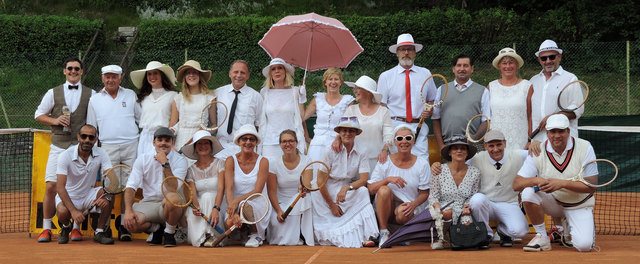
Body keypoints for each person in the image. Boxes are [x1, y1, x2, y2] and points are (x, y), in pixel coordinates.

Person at [431, 130, 530, 247]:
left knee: (521, 231)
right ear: (485, 146)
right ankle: (485, 235)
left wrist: (535, 144)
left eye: (499, 144)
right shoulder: (476, 159)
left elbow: (539, 154)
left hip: (508, 203)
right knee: (477, 199)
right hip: (484, 204)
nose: (495, 149)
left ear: (505, 143)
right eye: (491, 145)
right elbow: (457, 161)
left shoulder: (518, 155)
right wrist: (435, 165)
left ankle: (502, 231)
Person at [514, 114, 597, 252]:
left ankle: (568, 226)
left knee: (584, 246)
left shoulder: (585, 147)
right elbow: (517, 184)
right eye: (553, 131)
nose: (557, 135)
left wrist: (562, 183)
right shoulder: (538, 150)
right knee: (528, 192)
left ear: (568, 132)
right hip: (553, 203)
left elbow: (591, 186)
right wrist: (537, 180)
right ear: (547, 133)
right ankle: (542, 236)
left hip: (579, 203)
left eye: (561, 131)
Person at [34, 57, 95, 242]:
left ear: (82, 71)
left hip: (80, 148)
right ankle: (46, 228)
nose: (73, 71)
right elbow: (38, 114)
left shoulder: (91, 94)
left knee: (79, 189)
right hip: (58, 146)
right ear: (64, 71)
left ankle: (75, 228)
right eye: (70, 68)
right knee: (51, 186)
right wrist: (55, 120)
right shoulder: (53, 93)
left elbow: (91, 122)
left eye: (77, 68)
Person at [86, 64, 141, 241]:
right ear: (102, 78)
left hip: (131, 145)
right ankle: (105, 227)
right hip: (107, 147)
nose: (111, 80)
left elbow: (140, 119)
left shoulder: (130, 95)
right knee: (109, 187)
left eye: (114, 76)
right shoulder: (94, 100)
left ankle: (125, 225)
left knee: (129, 186)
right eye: (107, 76)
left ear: (120, 78)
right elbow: (92, 128)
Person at [311, 117, 379, 248]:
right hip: (324, 189)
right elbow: (320, 181)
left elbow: (364, 179)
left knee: (363, 191)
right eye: (344, 130)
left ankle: (366, 236)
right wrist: (331, 205)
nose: (347, 134)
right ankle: (351, 238)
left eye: (351, 130)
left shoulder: (362, 150)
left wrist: (347, 187)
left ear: (356, 133)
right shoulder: (329, 150)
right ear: (340, 133)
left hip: (345, 188)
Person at [123, 127, 188, 247]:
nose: (163, 143)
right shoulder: (143, 158)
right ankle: (157, 229)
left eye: (167, 140)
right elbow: (131, 187)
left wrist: (165, 163)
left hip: (170, 203)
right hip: (149, 203)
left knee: (173, 198)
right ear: (154, 142)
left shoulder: (181, 160)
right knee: (130, 223)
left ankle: (169, 233)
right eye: (160, 140)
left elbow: (173, 189)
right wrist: (128, 211)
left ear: (172, 143)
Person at [367, 125, 430, 247]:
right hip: (385, 210)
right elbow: (371, 189)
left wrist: (414, 204)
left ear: (413, 141)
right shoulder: (385, 161)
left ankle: (402, 232)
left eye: (408, 137)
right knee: (384, 190)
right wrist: (388, 179)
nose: (404, 141)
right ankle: (384, 232)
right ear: (395, 142)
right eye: (400, 138)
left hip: (407, 210)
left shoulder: (422, 164)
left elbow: (424, 193)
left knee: (402, 212)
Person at [377, 33, 437, 158]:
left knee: (422, 164)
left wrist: (429, 109)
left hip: (419, 127)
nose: (406, 53)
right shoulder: (386, 76)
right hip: (395, 127)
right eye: (402, 49)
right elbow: (382, 105)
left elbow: (432, 100)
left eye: (410, 49)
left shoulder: (425, 73)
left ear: (414, 52)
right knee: (398, 165)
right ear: (397, 52)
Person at [55, 125, 114, 245]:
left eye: (91, 137)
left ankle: (99, 231)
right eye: (84, 136)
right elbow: (60, 188)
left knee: (109, 195)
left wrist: (106, 195)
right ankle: (66, 227)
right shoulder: (65, 156)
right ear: (78, 137)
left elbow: (113, 180)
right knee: (62, 212)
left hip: (88, 194)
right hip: (69, 196)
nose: (87, 140)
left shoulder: (101, 153)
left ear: (95, 140)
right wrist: (73, 211)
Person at [428, 136, 480, 249]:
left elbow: (473, 195)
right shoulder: (439, 169)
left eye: (463, 148)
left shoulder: (475, 172)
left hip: (463, 209)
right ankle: (440, 237)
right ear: (450, 153)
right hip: (442, 208)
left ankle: (455, 237)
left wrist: (466, 207)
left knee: (467, 227)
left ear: (467, 154)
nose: (459, 151)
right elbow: (433, 196)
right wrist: (438, 209)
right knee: (437, 216)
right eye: (455, 148)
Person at [224, 124, 270, 247]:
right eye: (244, 139)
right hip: (234, 203)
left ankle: (256, 234)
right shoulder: (230, 160)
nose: (248, 142)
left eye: (252, 139)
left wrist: (237, 201)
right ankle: (244, 231)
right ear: (239, 141)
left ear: (256, 143)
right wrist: (233, 211)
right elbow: (229, 188)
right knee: (229, 223)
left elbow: (258, 190)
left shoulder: (263, 161)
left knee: (245, 205)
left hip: (256, 201)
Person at [432, 54, 490, 150]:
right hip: (449, 146)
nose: (462, 69)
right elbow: (435, 119)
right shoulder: (441, 90)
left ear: (472, 69)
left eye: (465, 65)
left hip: (474, 147)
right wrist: (441, 145)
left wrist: (473, 138)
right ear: (453, 69)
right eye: (459, 65)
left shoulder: (483, 91)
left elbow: (486, 121)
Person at [266, 130, 314, 246]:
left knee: (306, 199)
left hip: (299, 199)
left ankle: (303, 235)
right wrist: (278, 211)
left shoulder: (307, 160)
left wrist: (302, 189)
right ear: (280, 145)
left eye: (291, 141)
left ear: (297, 143)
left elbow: (306, 185)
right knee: (276, 223)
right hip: (280, 204)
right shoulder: (273, 163)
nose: (288, 144)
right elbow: (271, 191)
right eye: (284, 141)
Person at [529, 40, 583, 142]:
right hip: (537, 141)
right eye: (544, 58)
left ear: (559, 57)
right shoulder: (533, 81)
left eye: (552, 57)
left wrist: (553, 117)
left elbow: (577, 111)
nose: (548, 61)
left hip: (563, 142)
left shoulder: (570, 79)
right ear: (539, 60)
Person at [180, 130, 226, 247]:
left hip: (219, 204)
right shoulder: (190, 170)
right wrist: (196, 207)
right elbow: (192, 193)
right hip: (200, 205)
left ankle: (213, 235)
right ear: (195, 148)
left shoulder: (221, 164)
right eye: (199, 144)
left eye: (206, 143)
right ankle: (203, 236)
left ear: (211, 146)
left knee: (208, 196)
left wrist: (216, 209)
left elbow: (221, 189)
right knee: (198, 204)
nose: (203, 146)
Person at [337, 76, 393, 172]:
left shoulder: (383, 111)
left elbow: (388, 134)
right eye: (354, 88)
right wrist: (337, 139)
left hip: (378, 159)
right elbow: (342, 129)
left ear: (368, 92)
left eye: (358, 88)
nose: (354, 91)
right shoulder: (351, 110)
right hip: (354, 161)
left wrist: (385, 150)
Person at [258, 58, 306, 158]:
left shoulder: (295, 91)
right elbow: (260, 119)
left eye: (280, 68)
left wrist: (302, 97)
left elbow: (301, 117)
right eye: (273, 69)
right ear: (270, 73)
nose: (277, 71)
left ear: (285, 71)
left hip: (291, 142)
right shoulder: (264, 92)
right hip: (269, 143)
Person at [214, 60, 263, 158]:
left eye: (243, 72)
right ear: (230, 74)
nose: (239, 75)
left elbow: (260, 125)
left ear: (248, 75)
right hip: (220, 147)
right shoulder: (218, 93)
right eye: (236, 72)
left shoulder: (256, 97)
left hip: (243, 148)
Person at [303, 68, 354, 161]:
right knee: (315, 172)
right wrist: (301, 99)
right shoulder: (318, 99)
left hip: (338, 144)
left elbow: (350, 125)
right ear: (325, 82)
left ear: (341, 82)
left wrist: (339, 138)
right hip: (318, 144)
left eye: (336, 79)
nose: (333, 82)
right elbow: (302, 117)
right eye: (330, 79)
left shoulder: (348, 101)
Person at [130, 61, 178, 157]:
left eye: (155, 73)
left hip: (162, 138)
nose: (152, 77)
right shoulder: (144, 97)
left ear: (162, 75)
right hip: (145, 137)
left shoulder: (173, 96)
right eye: (149, 74)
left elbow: (173, 122)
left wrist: (168, 139)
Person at [488, 48, 532, 149]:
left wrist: (530, 140)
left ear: (516, 65)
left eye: (511, 63)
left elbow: (531, 116)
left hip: (520, 141)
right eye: (504, 63)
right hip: (496, 143)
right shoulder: (491, 86)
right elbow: (487, 116)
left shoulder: (527, 86)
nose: (508, 66)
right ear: (499, 66)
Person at [169, 60, 216, 150]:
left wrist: (204, 131)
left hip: (201, 140)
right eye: (188, 73)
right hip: (182, 141)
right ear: (184, 77)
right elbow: (172, 124)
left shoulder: (210, 98)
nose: (191, 75)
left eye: (194, 72)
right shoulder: (178, 98)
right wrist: (169, 143)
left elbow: (214, 126)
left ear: (200, 76)